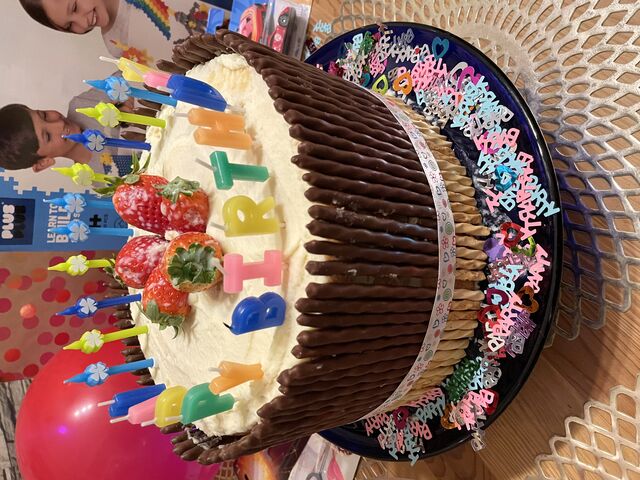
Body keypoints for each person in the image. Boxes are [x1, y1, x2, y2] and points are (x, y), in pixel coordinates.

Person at [19, 0, 232, 67]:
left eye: (75, 7)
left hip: (242, 23)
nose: (82, 22)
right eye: (69, 25)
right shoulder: (115, 45)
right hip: (224, 69)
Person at [0, 88, 133, 175]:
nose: (59, 124)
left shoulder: (83, 105)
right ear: (43, 162)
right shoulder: (99, 175)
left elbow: (132, 72)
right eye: (48, 136)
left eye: (45, 115)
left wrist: (130, 97)